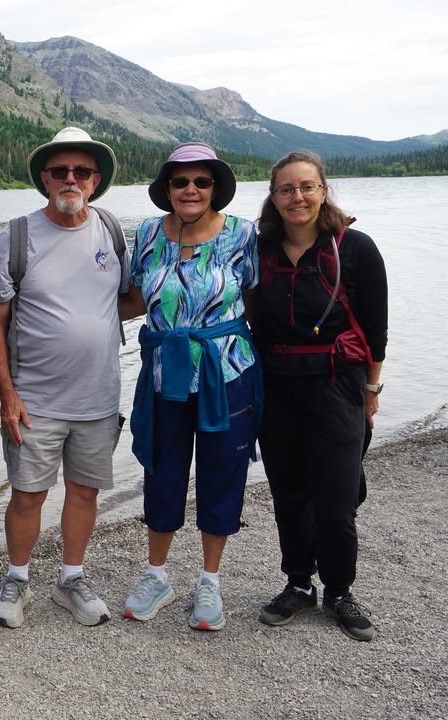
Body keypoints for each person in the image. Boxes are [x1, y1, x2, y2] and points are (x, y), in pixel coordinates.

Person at [0, 127, 134, 628]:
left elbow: (126, 301)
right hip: (35, 400)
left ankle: (71, 579)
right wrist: (7, 395)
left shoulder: (111, 231)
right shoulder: (18, 236)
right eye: (60, 171)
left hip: (99, 396)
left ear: (95, 181)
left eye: (82, 171)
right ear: (45, 179)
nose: (71, 178)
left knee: (85, 491)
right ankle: (17, 578)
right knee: (28, 494)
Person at [122, 142, 261, 632]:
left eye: (201, 182)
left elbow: (259, 297)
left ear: (215, 188)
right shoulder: (144, 235)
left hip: (228, 374)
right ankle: (157, 575)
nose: (191, 189)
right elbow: (132, 299)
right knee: (162, 471)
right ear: (166, 188)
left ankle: (209, 580)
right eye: (180, 181)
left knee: (222, 472)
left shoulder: (243, 234)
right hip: (165, 374)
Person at [252, 150, 387, 641]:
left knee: (335, 498)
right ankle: (297, 584)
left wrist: (371, 391)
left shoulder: (355, 248)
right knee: (288, 493)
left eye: (306, 187)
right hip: (277, 385)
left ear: (323, 190)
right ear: (273, 197)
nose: (297, 197)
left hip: (337, 385)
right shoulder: (261, 250)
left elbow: (376, 331)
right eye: (286, 189)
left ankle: (340, 590)